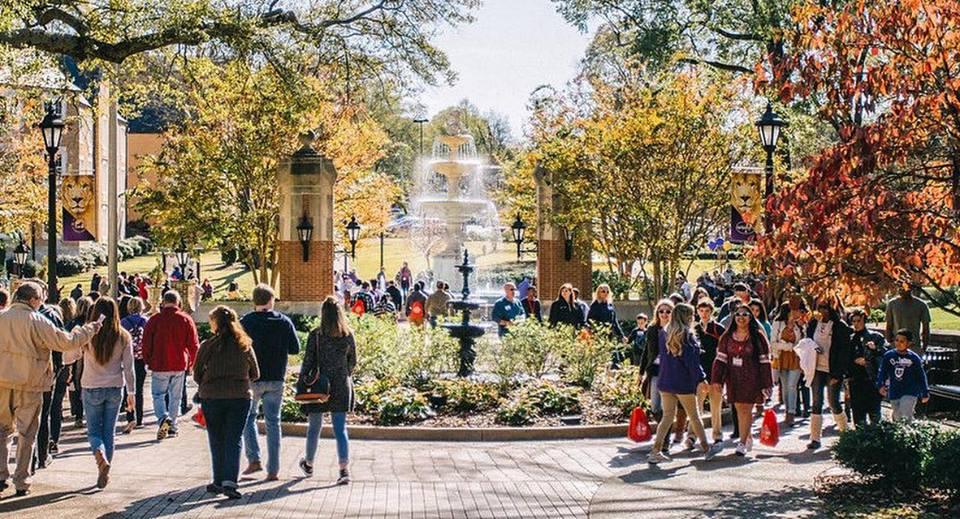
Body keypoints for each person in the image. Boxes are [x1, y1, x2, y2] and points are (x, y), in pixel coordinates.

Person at [0, 282, 101, 496]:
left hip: (2, 382)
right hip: (30, 383)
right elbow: (67, 342)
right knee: (27, 434)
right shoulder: (37, 320)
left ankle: (1, 475)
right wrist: (90, 329)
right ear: (33, 300)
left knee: (2, 431)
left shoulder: (2, 317)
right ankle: (21, 480)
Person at [63, 297, 135, 489]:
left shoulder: (86, 334)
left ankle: (99, 455)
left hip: (91, 386)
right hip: (114, 387)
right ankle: (105, 469)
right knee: (108, 432)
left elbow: (69, 356)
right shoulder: (123, 336)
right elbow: (129, 368)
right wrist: (132, 392)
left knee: (93, 432)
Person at [194, 306, 260, 499]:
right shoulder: (245, 345)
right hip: (239, 397)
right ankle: (230, 482)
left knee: (216, 438)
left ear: (215, 323)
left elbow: (197, 373)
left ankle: (218, 480)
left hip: (212, 397)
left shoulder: (208, 345)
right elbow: (256, 373)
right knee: (233, 438)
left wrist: (208, 381)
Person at [647, 303, 723, 464]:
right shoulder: (688, 335)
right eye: (692, 315)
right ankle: (706, 448)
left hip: (666, 380)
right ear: (687, 317)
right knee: (695, 417)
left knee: (667, 417)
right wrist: (701, 378)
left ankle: (655, 451)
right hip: (683, 383)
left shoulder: (664, 333)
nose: (693, 318)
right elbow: (692, 363)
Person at [240, 284, 301, 481]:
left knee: (248, 419)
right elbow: (295, 348)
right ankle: (273, 469)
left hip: (252, 378)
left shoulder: (246, 322)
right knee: (273, 422)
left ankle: (254, 458)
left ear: (254, 301)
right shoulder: (283, 321)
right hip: (276, 378)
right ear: (271, 300)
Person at [298, 296, 357, 486]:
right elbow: (352, 362)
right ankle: (343, 469)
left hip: (318, 385)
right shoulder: (347, 335)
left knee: (314, 427)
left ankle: (309, 463)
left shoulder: (316, 335)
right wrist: (343, 373)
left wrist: (302, 382)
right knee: (340, 428)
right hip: (341, 383)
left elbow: (308, 361)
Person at [711, 305, 774, 457]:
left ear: (751, 317)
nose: (741, 317)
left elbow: (765, 361)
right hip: (734, 378)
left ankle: (741, 443)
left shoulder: (758, 337)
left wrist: (767, 383)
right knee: (740, 410)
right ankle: (747, 436)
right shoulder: (727, 337)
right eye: (738, 314)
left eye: (745, 314)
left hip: (753, 378)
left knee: (747, 409)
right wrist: (716, 380)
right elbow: (720, 360)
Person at [142, 290, 199, 441]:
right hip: (179, 363)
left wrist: (148, 360)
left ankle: (163, 418)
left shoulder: (155, 320)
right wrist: (193, 363)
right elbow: (193, 345)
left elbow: (146, 343)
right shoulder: (185, 319)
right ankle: (173, 425)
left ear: (163, 302)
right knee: (176, 397)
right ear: (178, 302)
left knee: (158, 395)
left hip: (160, 363)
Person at [804, 300, 853, 449]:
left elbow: (844, 352)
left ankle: (846, 433)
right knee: (816, 402)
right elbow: (807, 342)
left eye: (826, 308)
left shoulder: (840, 327)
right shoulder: (813, 324)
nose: (823, 311)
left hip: (832, 370)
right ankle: (815, 438)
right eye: (820, 308)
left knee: (833, 402)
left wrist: (838, 374)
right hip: (816, 368)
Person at [877, 329, 929, 422]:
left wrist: (924, 392)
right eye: (897, 340)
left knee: (905, 413)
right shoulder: (889, 356)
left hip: (910, 391)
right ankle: (906, 428)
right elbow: (883, 371)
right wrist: (881, 385)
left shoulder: (914, 358)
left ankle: (908, 433)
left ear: (909, 343)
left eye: (902, 341)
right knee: (897, 415)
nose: (898, 343)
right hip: (895, 390)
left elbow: (921, 375)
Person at [848, 309, 887, 427]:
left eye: (859, 321)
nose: (856, 324)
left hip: (872, 379)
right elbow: (845, 358)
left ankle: (875, 438)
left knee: (874, 413)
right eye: (854, 321)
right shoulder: (850, 339)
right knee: (858, 414)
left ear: (864, 320)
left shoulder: (875, 337)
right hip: (855, 380)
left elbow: (885, 354)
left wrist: (873, 353)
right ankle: (861, 440)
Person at [694, 299, 725, 442]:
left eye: (707, 311)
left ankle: (717, 435)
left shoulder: (718, 329)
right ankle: (692, 436)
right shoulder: (694, 329)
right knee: (696, 408)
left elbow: (724, 351)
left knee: (715, 407)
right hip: (699, 374)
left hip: (716, 373)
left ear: (711, 312)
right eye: (701, 311)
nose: (704, 314)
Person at [770, 302, 805, 427]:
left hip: (795, 358)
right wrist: (788, 346)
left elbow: (803, 342)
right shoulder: (778, 323)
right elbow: (773, 343)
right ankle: (787, 409)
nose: (797, 313)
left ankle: (791, 413)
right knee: (784, 386)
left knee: (792, 385)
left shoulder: (799, 324)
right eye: (794, 310)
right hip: (781, 358)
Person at [641, 300, 675, 423]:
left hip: (670, 372)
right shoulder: (652, 329)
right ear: (657, 313)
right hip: (655, 371)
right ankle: (663, 428)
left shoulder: (675, 329)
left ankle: (664, 436)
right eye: (661, 311)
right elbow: (647, 351)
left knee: (666, 407)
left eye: (668, 311)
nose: (664, 314)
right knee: (655, 406)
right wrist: (641, 372)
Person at [120, 297, 149, 432]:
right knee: (139, 390)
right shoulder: (145, 321)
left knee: (129, 389)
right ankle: (140, 418)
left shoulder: (123, 323)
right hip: (142, 358)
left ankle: (130, 416)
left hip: (127, 359)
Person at [884, 288, 931, 355]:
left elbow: (926, 329)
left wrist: (923, 348)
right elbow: (889, 326)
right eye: (899, 287)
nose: (901, 289)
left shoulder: (921, 305)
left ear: (910, 288)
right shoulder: (892, 304)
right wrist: (890, 343)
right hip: (896, 347)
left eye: (904, 288)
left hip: (914, 347)